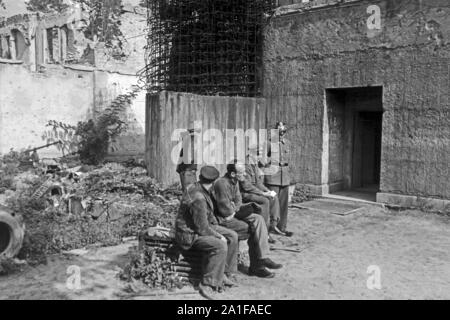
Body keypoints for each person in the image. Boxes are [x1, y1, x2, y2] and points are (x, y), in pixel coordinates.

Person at [175, 166, 239, 299]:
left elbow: (207, 219)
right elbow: (202, 229)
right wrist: (219, 236)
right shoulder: (198, 196)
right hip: (189, 234)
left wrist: (219, 227)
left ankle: (224, 274)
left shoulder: (203, 189)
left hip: (199, 227)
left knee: (233, 236)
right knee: (220, 245)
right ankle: (208, 283)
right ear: (214, 182)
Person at [212, 163, 283, 278]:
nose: (244, 174)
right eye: (241, 172)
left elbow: (238, 199)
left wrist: (236, 207)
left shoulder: (234, 181)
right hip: (223, 218)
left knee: (259, 219)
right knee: (253, 229)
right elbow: (225, 210)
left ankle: (263, 257)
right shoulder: (222, 184)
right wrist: (235, 208)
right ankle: (256, 268)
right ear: (233, 173)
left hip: (234, 213)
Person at [241, 143, 284, 236]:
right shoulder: (245, 165)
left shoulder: (254, 164)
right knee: (265, 201)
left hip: (255, 192)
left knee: (274, 197)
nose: (259, 157)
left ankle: (272, 225)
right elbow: (246, 186)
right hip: (246, 194)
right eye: (257, 154)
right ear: (251, 153)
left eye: (259, 154)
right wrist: (263, 194)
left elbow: (258, 183)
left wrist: (267, 191)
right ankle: (264, 231)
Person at [264, 122, 294, 237]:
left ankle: (282, 227)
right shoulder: (269, 143)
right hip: (273, 176)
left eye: (283, 132)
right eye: (279, 132)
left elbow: (289, 160)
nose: (281, 134)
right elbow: (262, 160)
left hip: (284, 176)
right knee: (272, 204)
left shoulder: (287, 143)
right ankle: (270, 228)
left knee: (283, 204)